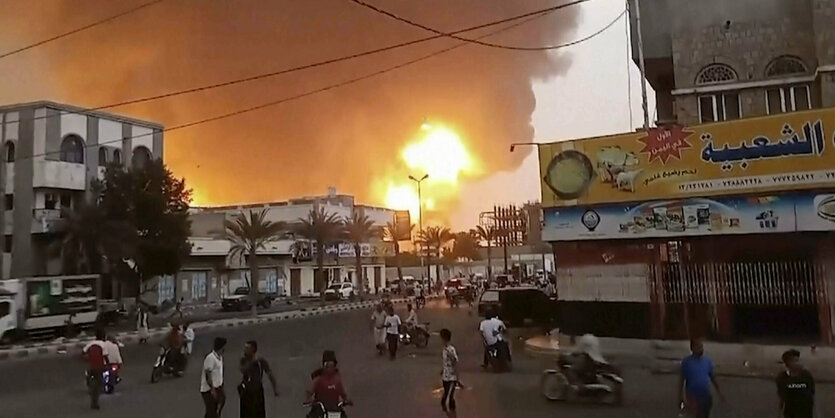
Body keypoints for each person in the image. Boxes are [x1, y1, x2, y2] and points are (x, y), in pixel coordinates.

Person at [678, 339, 722, 418]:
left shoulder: (707, 361)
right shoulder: (687, 362)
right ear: (692, 348)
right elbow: (682, 380)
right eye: (698, 347)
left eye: (701, 347)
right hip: (693, 395)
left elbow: (712, 377)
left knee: (705, 414)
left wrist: (719, 391)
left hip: (705, 394)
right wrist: (680, 396)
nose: (701, 349)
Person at [238, 340, 279, 418]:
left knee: (258, 413)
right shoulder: (244, 360)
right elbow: (243, 370)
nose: (245, 350)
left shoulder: (261, 361)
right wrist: (251, 362)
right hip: (246, 390)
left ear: (253, 349)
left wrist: (275, 388)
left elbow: (270, 374)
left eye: (247, 348)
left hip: (257, 390)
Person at [307, 350, 351, 417]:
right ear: (324, 366)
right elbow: (310, 392)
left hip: (335, 409)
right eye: (327, 365)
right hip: (320, 409)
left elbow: (343, 394)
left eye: (332, 365)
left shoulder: (337, 380)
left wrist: (346, 400)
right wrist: (309, 400)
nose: (330, 368)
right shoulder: (318, 379)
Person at [776, 349, 815, 418]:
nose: (799, 363)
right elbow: (782, 397)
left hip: (806, 413)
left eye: (799, 360)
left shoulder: (807, 375)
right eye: (795, 361)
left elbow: (812, 393)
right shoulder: (783, 378)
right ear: (788, 363)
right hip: (790, 414)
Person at [82, 328, 108, 410]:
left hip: (91, 367)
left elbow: (83, 352)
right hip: (99, 367)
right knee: (99, 385)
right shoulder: (103, 345)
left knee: (91, 378)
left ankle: (88, 382)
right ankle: (95, 403)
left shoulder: (90, 343)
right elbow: (106, 357)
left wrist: (88, 359)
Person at [202, 337, 227, 418]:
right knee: (212, 411)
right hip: (209, 390)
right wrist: (212, 390)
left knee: (216, 408)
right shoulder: (210, 358)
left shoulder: (219, 357)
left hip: (218, 387)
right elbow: (208, 375)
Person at [439, 329, 459, 418]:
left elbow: (455, 361)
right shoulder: (444, 349)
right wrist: (442, 370)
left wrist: (456, 374)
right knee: (446, 393)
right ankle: (447, 410)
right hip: (445, 376)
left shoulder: (450, 350)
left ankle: (452, 413)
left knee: (450, 396)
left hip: (452, 377)